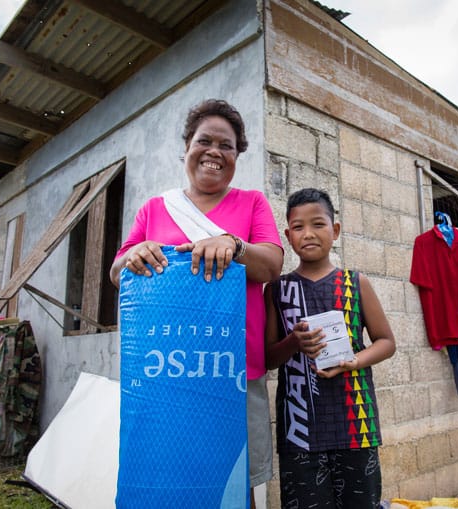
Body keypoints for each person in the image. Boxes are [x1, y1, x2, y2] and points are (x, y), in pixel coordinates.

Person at [110, 98, 284, 508]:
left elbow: (272, 265)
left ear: (237, 155)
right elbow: (118, 272)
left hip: (235, 370)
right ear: (187, 146)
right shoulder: (155, 209)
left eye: (226, 146)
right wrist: (133, 257)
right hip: (166, 371)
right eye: (204, 141)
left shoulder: (252, 203)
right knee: (171, 478)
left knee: (239, 485)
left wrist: (234, 244)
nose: (214, 152)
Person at [264, 188, 396, 508]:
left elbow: (386, 342)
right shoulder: (278, 289)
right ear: (288, 235)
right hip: (299, 431)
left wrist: (353, 360)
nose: (308, 234)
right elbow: (268, 357)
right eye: (298, 227)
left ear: (335, 231)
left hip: (356, 423)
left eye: (318, 224)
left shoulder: (355, 282)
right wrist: (293, 342)